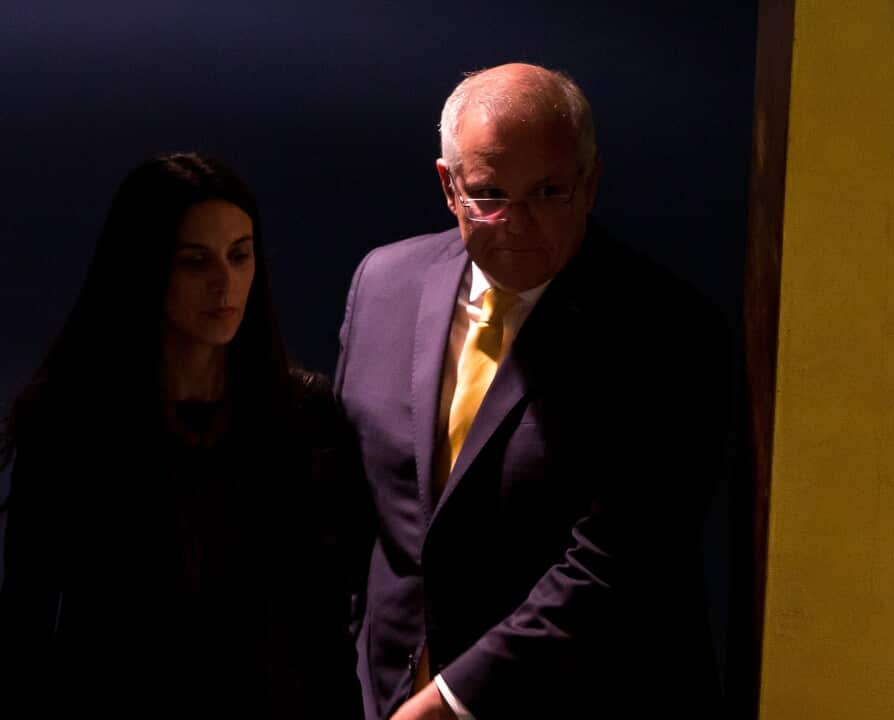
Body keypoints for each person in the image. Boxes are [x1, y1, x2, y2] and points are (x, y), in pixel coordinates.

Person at [335, 63, 729, 720]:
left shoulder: (667, 330)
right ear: (447, 185)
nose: (516, 223)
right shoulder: (382, 284)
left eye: (547, 192)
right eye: (489, 194)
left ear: (591, 182)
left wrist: (453, 701)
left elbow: (623, 562)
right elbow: (350, 515)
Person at [0, 152, 369, 718]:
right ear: (145, 268)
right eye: (196, 262)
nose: (225, 283)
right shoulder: (72, 419)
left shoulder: (302, 412)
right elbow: (29, 616)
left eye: (240, 256)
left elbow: (324, 617)